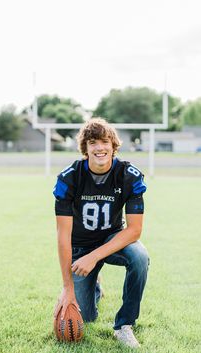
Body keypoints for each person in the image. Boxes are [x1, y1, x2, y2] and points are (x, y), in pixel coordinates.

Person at [53, 118, 149, 349]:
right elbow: (63, 236)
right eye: (92, 142)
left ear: (113, 145)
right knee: (85, 317)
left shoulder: (129, 175)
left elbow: (134, 230)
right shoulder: (69, 178)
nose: (99, 148)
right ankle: (93, 286)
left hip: (112, 239)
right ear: (85, 148)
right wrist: (67, 289)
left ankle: (124, 325)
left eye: (105, 141)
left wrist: (95, 256)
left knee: (139, 257)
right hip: (80, 246)